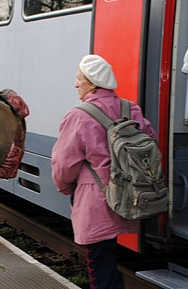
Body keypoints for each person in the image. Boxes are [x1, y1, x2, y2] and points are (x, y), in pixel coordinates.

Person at [51, 55, 157, 289]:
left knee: (99, 266)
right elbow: (151, 143)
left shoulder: (79, 115)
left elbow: (63, 165)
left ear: (92, 83)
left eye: (79, 79)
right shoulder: (131, 108)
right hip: (130, 194)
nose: (76, 84)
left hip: (96, 198)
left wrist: (67, 188)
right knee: (107, 260)